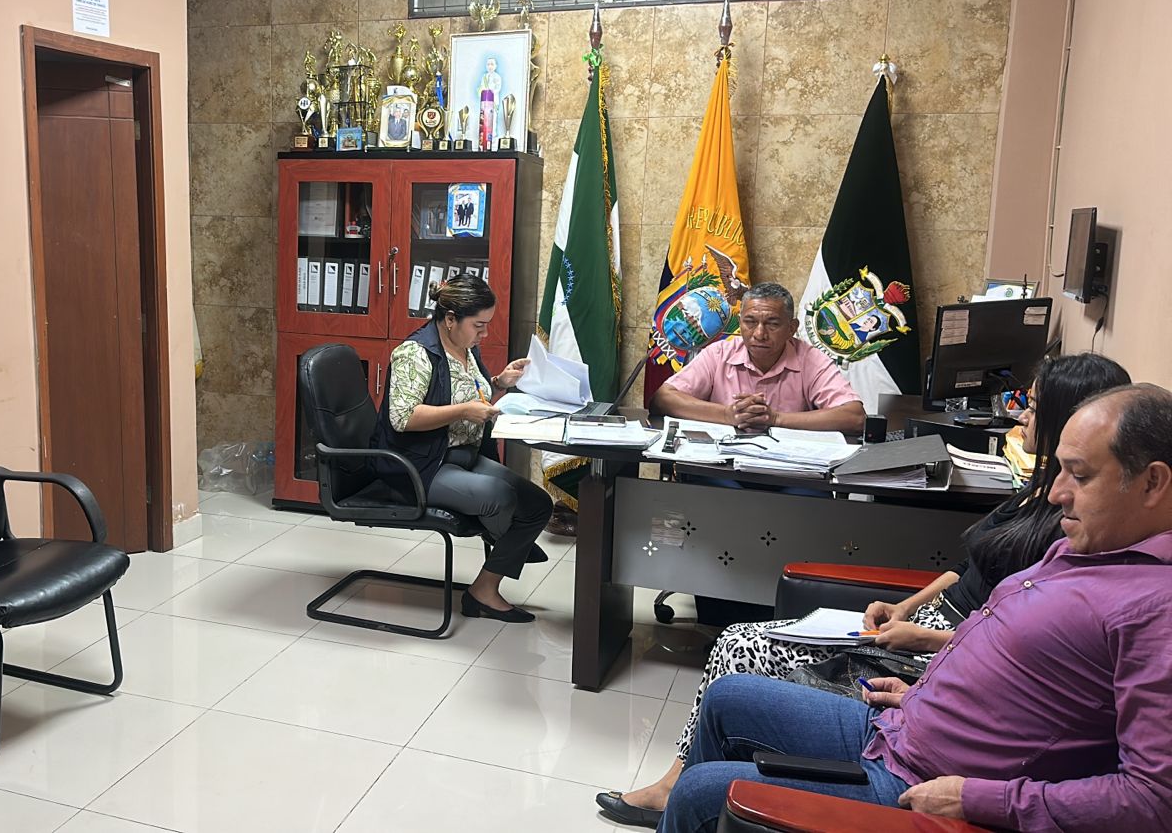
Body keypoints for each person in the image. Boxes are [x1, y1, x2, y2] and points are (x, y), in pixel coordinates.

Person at [594, 352, 1131, 827]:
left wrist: (920, 637)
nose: (1021, 416)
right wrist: (906, 606)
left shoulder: (1080, 537)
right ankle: (687, 784)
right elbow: (966, 570)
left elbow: (1008, 647)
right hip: (927, 644)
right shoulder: (1042, 491)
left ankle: (686, 788)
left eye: (1032, 407)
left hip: (936, 655)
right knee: (734, 658)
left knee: (738, 644)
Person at [370, 274, 550, 622]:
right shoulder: (415, 353)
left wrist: (499, 382)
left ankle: (485, 585)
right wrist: (464, 411)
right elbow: (403, 418)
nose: (485, 334)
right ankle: (508, 542)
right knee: (501, 497)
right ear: (450, 319)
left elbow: (469, 393)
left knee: (538, 504)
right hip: (419, 466)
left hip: (460, 455)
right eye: (478, 326)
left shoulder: (465, 348)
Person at [651, 282, 865, 435]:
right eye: (750, 322)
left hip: (786, 471)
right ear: (740, 323)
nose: (759, 334)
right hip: (723, 467)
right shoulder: (719, 354)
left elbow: (855, 417)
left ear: (792, 328)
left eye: (772, 324)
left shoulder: (810, 359)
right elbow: (663, 399)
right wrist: (727, 415)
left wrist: (776, 419)